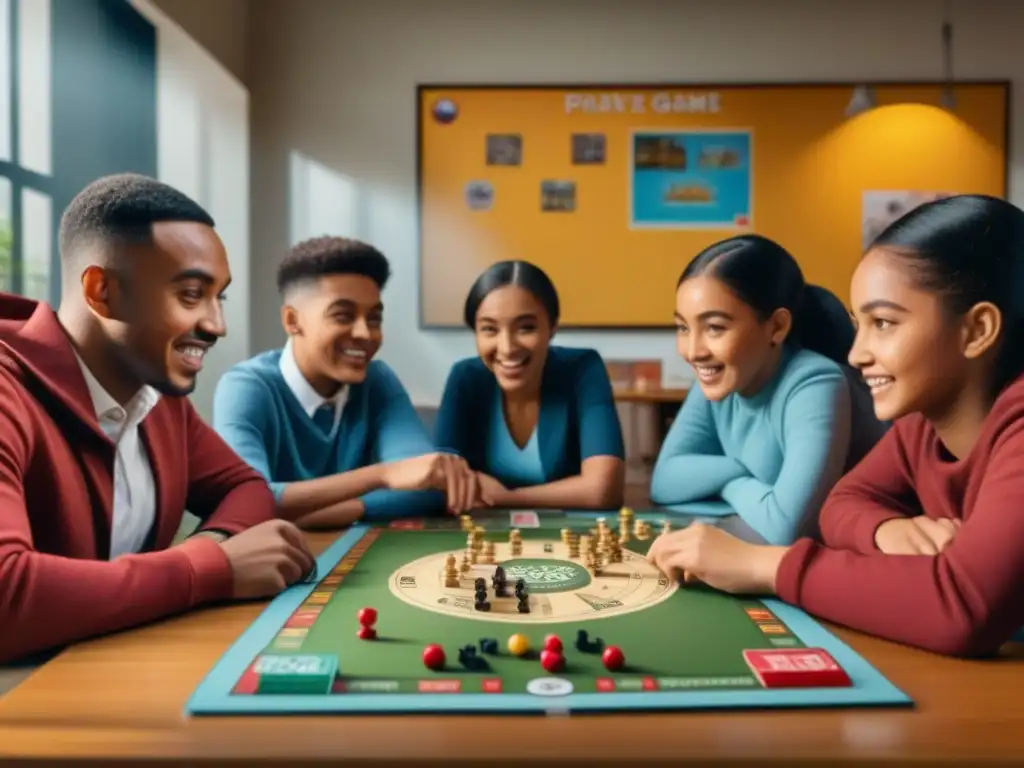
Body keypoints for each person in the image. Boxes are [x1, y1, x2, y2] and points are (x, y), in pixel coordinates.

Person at [647, 194, 1024, 658]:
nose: (856, 354)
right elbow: (842, 503)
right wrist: (884, 529)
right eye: (857, 323)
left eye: (883, 323)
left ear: (977, 330)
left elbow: (962, 606)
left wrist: (767, 566)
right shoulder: (920, 426)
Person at [0, 173, 313, 665]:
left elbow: (245, 487)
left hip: (112, 667)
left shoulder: (157, 392)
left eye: (219, 296)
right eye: (191, 294)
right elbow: (6, 596)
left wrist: (211, 549)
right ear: (101, 291)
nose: (216, 325)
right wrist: (208, 569)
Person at [213, 236, 479, 529]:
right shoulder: (246, 387)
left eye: (374, 319)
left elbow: (428, 484)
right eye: (343, 316)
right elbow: (246, 500)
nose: (365, 334)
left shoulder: (377, 380)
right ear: (292, 321)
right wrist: (383, 476)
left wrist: (336, 511)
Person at [649, 235, 887, 545]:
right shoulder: (722, 376)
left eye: (715, 327)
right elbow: (665, 480)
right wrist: (741, 475)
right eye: (683, 327)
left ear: (776, 327)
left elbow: (788, 528)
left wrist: (724, 482)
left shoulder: (816, 382)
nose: (693, 351)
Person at [434, 260, 625, 509]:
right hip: (482, 537)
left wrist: (506, 498)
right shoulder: (465, 378)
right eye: (489, 329)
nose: (507, 348)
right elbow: (440, 481)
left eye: (526, 328)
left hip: (566, 536)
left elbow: (604, 489)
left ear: (552, 327)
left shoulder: (582, 368)